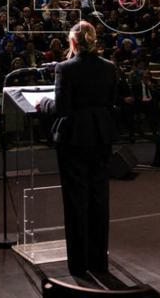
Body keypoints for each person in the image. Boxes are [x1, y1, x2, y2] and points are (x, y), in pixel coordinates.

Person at [39, 21, 118, 279]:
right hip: (101, 136)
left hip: (74, 139)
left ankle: (79, 264)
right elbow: (110, 102)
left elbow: (61, 108)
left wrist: (44, 103)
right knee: (99, 199)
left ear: (72, 42)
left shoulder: (65, 68)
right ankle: (98, 261)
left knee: (76, 201)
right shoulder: (109, 67)